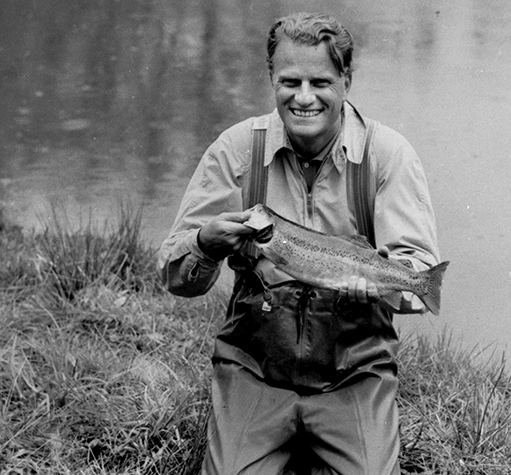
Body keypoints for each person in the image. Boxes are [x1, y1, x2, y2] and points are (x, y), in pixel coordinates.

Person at [158, 12, 441, 475]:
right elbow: (175, 275)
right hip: (255, 368)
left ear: (347, 80)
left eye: (320, 81)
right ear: (271, 78)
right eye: (290, 81)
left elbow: (416, 271)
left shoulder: (387, 156)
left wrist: (385, 284)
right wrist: (206, 243)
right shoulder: (235, 151)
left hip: (354, 372)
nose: (304, 97)